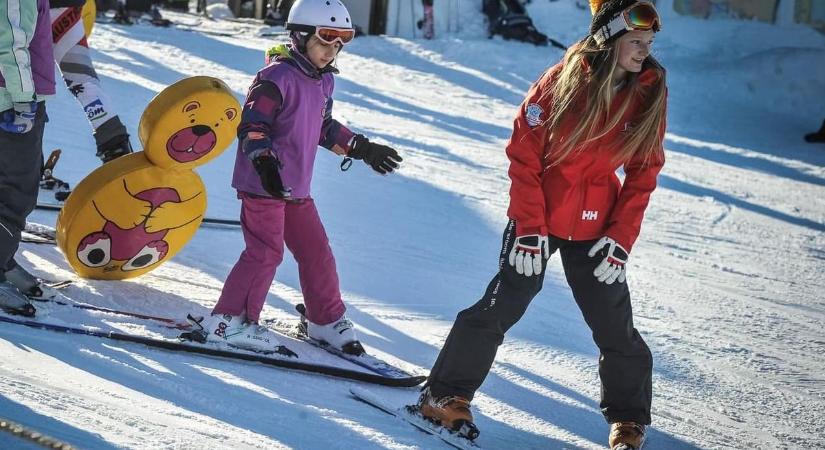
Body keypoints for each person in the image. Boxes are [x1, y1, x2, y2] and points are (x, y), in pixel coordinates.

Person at [415, 1, 667, 449]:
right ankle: (443, 393)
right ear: (609, 38)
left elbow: (644, 171)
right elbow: (524, 154)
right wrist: (529, 225)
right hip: (540, 217)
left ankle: (629, 420)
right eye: (636, 42)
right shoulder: (563, 81)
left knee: (614, 325)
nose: (644, 52)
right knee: (505, 301)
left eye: (648, 44)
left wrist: (621, 238)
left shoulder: (648, 91)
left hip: (598, 225)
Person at [188, 0, 403, 355]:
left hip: (295, 188)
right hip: (263, 185)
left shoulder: (324, 82)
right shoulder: (276, 78)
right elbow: (252, 126)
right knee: (265, 253)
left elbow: (323, 127)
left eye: (339, 43)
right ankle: (230, 321)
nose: (331, 51)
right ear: (300, 36)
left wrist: (362, 148)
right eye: (325, 40)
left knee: (317, 252)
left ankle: (325, 320)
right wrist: (266, 165)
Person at [0, 0, 57, 316]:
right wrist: (23, 101)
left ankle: (3, 260)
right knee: (15, 194)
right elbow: (10, 38)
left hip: (13, 96)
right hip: (11, 100)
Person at [50, 0, 134, 163]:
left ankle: (120, 159)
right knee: (85, 85)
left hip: (25, 11)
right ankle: (119, 157)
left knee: (23, 90)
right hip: (62, 9)